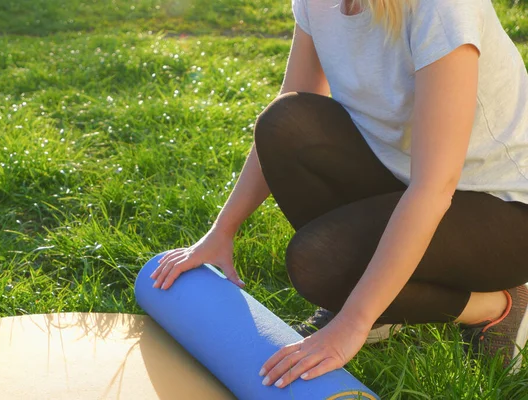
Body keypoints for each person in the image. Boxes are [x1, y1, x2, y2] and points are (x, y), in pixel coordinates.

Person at [150, 0, 528, 389]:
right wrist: (222, 231)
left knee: (320, 264)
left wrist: (352, 322)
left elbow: (434, 187)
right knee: (285, 123)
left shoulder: (442, 8)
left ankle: (498, 306)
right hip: (406, 179)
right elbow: (292, 107)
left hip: (505, 212)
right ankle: (385, 307)